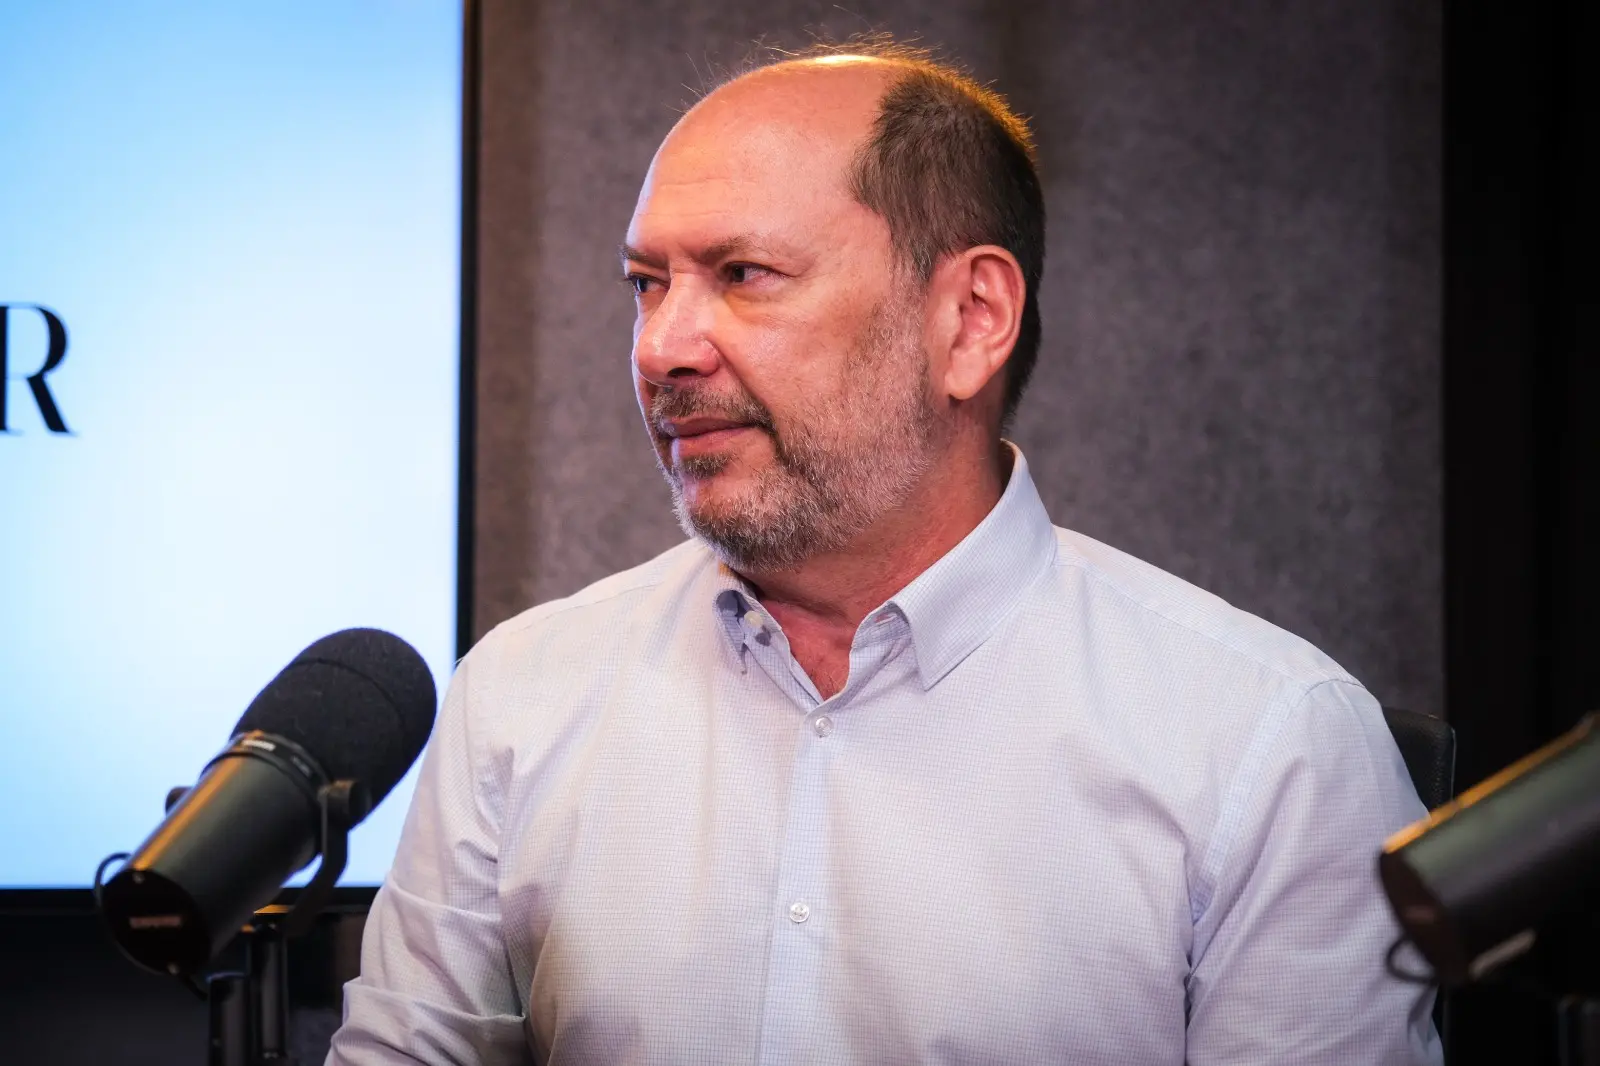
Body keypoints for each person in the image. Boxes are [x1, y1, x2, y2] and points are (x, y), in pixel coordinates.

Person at [329, 42, 1441, 1066]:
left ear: (968, 319)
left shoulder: (1268, 746)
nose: (661, 346)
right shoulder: (520, 699)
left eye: (743, 274)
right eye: (646, 283)